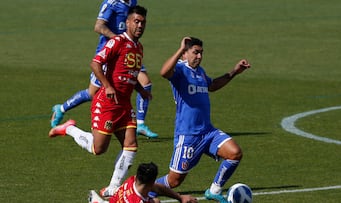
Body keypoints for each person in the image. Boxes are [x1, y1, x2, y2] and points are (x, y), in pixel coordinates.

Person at [49, 5, 150, 198]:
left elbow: (129, 73)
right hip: (107, 103)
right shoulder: (117, 42)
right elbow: (95, 63)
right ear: (127, 22)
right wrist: (108, 86)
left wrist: (140, 90)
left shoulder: (138, 47)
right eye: (136, 22)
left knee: (131, 145)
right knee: (98, 149)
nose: (139, 26)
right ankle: (68, 128)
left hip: (124, 105)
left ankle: (113, 187)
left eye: (143, 22)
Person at [152, 37, 251, 203]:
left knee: (234, 153)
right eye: (195, 52)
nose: (199, 56)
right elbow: (163, 72)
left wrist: (234, 72)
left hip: (208, 132)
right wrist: (179, 50)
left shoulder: (200, 72)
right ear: (185, 53)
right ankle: (144, 188)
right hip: (188, 136)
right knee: (174, 181)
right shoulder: (180, 70)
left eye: (201, 53)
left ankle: (214, 190)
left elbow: (212, 86)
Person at [50, 0, 158, 138]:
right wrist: (119, 39)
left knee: (145, 82)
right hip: (111, 54)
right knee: (92, 93)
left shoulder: (133, 2)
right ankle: (61, 108)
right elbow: (98, 26)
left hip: (128, 52)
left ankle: (140, 124)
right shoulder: (111, 3)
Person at [89, 162, 198, 203]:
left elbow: (158, 188)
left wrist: (180, 197)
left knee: (155, 201)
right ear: (151, 182)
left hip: (117, 200)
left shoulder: (131, 180)